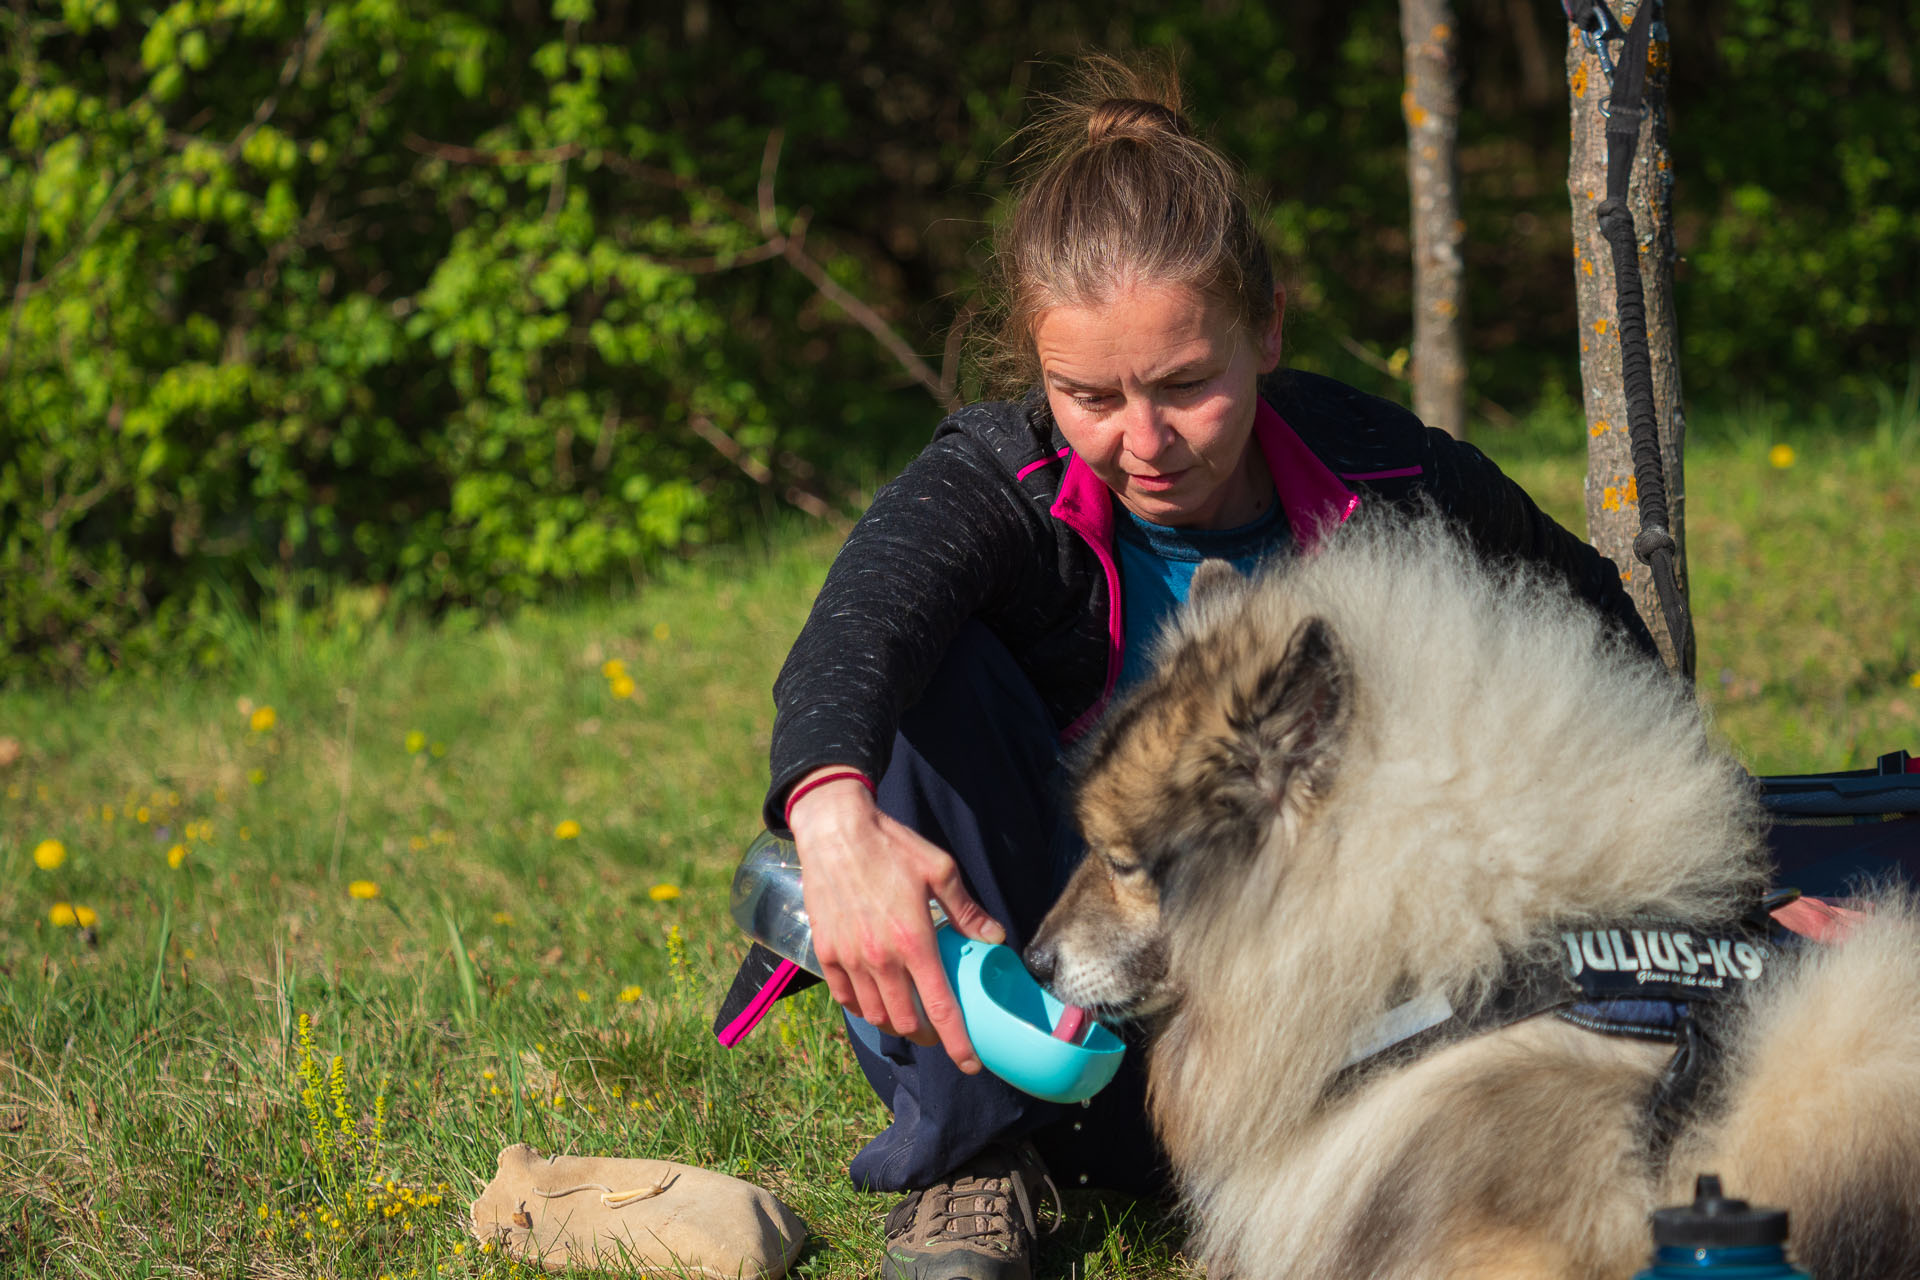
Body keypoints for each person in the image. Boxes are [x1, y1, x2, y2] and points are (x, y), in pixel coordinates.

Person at [724, 56, 1657, 1280]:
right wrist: (832, 814)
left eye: (1184, 385)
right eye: (1088, 395)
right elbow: (856, 622)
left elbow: (1606, 647)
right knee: (909, 687)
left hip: (1339, 1033)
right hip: (1051, 1028)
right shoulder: (995, 478)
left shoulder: (1396, 476)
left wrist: (1735, 882)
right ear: (1037, 376)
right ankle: (972, 1164)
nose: (1141, 439)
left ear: (1265, 329)